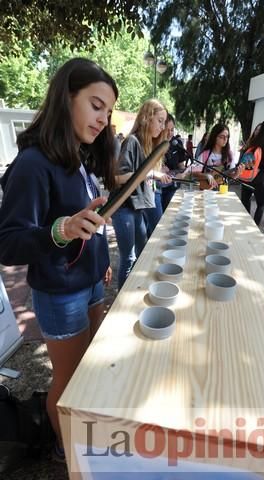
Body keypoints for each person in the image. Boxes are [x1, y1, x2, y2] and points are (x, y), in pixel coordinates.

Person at [0, 58, 118, 460]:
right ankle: (69, 455)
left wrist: (99, 258)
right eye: (96, 105)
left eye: (109, 111)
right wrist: (59, 230)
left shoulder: (77, 159)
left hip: (88, 285)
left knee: (88, 371)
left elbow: (90, 222)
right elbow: (9, 244)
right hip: (59, 293)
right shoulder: (33, 164)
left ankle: (81, 443)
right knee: (68, 383)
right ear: (67, 98)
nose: (103, 118)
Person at [110, 99, 171, 290]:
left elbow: (141, 174)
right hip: (123, 208)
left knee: (141, 252)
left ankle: (133, 290)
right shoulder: (132, 141)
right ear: (147, 118)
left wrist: (156, 175)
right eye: (160, 121)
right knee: (128, 258)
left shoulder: (148, 143)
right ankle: (122, 298)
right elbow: (119, 177)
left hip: (136, 207)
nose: (162, 127)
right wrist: (149, 174)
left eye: (164, 123)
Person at [240, 119, 264, 226]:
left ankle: (245, 224)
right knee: (261, 204)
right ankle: (255, 226)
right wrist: (262, 174)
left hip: (246, 177)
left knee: (245, 201)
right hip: (259, 178)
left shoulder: (253, 143)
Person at [188, 123, 235, 189]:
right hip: (206, 191)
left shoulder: (229, 155)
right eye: (222, 136)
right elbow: (194, 173)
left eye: (227, 136)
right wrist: (207, 175)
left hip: (222, 192)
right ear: (215, 137)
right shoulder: (205, 154)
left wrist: (237, 173)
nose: (225, 139)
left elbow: (231, 177)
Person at [161, 113, 189, 211]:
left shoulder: (177, 143)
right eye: (166, 130)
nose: (169, 133)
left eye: (172, 130)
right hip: (156, 189)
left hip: (173, 187)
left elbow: (181, 166)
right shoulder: (153, 144)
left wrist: (183, 174)